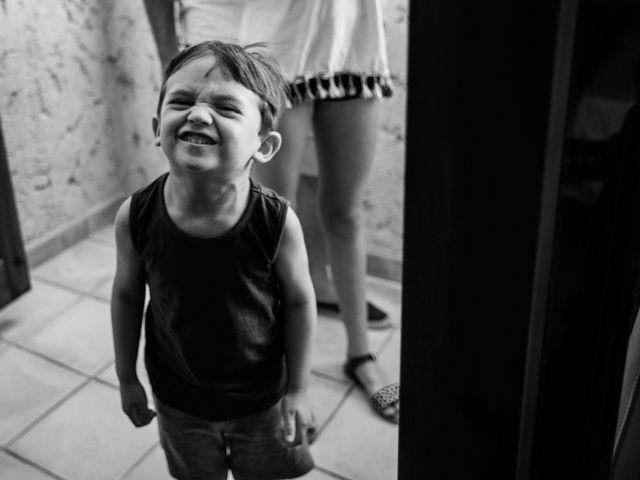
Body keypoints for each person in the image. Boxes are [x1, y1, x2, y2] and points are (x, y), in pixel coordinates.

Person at [142, 0, 399, 424]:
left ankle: (361, 354)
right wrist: (173, 59)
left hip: (347, 37)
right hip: (269, 46)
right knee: (268, 226)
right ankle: (281, 379)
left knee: (345, 212)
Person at [110, 40, 316, 480]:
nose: (199, 114)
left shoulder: (277, 222)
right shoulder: (136, 216)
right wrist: (127, 376)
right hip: (178, 399)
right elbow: (127, 294)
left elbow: (299, 303)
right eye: (181, 101)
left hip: (261, 399)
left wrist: (297, 390)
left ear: (263, 145)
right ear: (156, 126)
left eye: (225, 107)